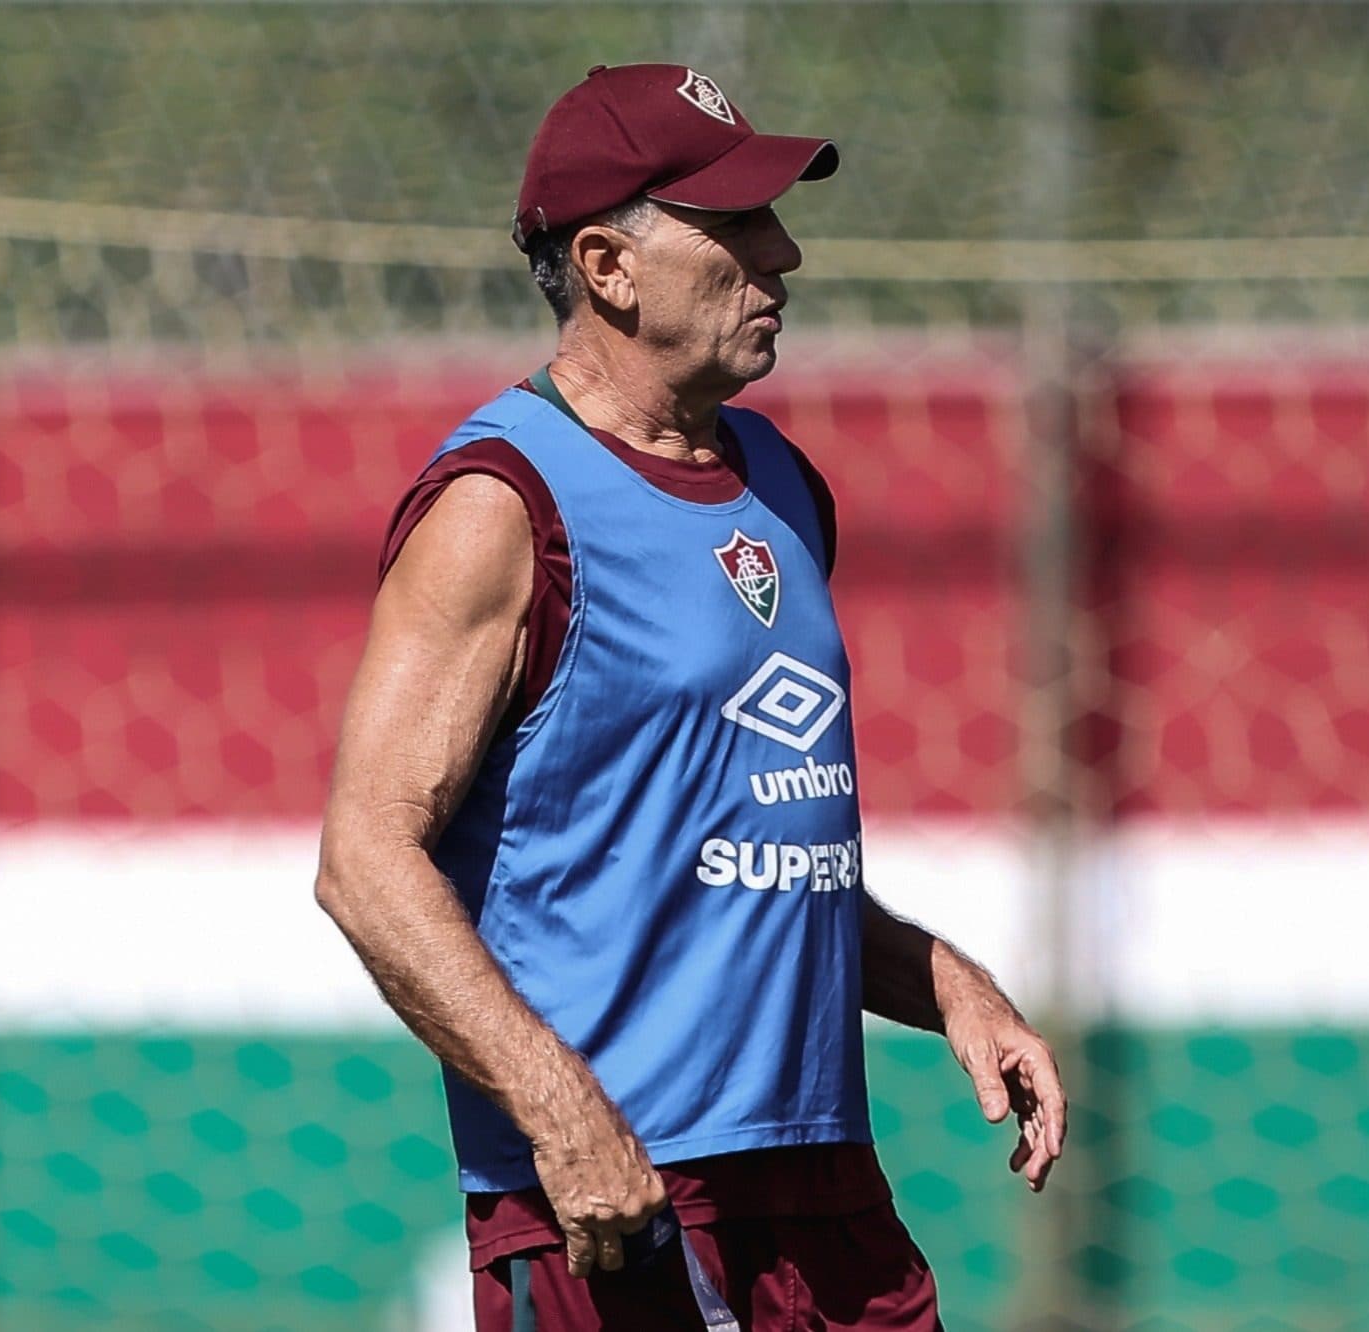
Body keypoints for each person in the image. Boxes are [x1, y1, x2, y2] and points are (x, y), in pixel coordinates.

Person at [316, 63, 1067, 1331]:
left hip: (821, 1181)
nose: (783, 257)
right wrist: (567, 1121)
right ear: (608, 266)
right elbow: (366, 861)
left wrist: (944, 981)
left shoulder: (778, 480)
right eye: (735, 228)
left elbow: (737, 854)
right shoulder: (503, 507)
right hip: (623, 1201)